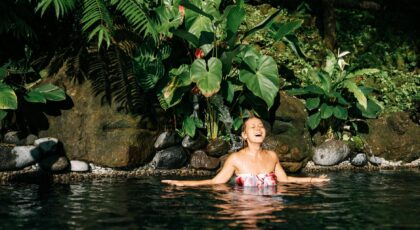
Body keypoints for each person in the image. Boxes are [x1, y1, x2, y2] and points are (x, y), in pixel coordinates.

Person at [162, 117, 329, 187]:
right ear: (244, 135)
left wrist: (314, 180)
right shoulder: (235, 159)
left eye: (261, 126)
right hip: (244, 209)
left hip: (271, 209)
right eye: (253, 127)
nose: (258, 128)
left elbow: (285, 180)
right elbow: (215, 182)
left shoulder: (272, 156)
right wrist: (183, 183)